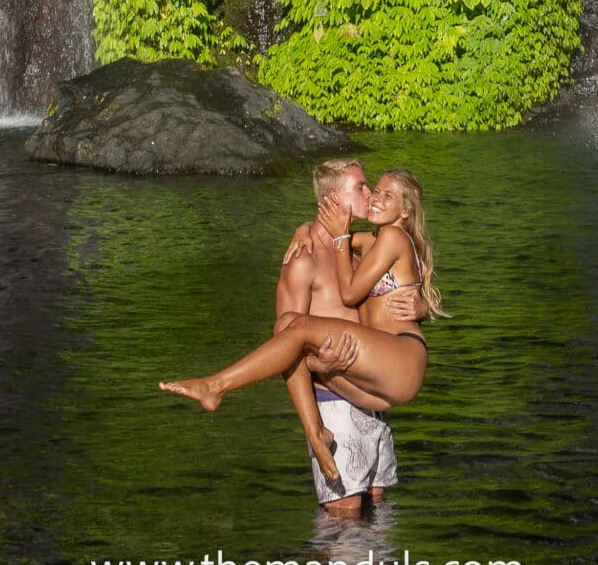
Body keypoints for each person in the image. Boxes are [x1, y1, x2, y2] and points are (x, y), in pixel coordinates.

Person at [160, 168, 443, 449]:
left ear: (405, 210)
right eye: (375, 190)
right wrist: (304, 229)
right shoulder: (372, 240)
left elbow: (349, 292)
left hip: (402, 356)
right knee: (286, 328)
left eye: (387, 195)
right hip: (380, 379)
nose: (375, 198)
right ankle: (316, 431)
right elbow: (327, 235)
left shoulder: (393, 238)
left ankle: (216, 386)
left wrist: (343, 240)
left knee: (300, 328)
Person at [275, 160, 418, 514]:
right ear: (335, 197)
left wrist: (421, 303)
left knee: (379, 509)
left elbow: (401, 279)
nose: (370, 195)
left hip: (371, 397)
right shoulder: (302, 260)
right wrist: (313, 429)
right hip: (332, 406)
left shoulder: (356, 250)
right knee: (343, 521)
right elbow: (284, 345)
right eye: (362, 187)